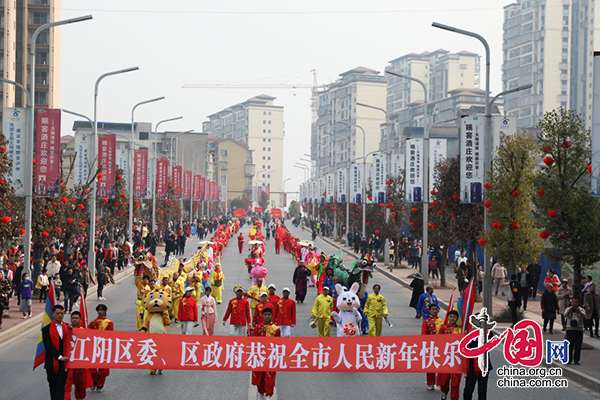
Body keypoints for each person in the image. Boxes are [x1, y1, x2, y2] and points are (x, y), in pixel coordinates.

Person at [42, 305, 70, 400]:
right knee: (53, 386)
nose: (60, 315)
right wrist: (59, 356)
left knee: (60, 386)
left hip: (64, 363)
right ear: (53, 314)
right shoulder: (46, 330)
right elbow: (48, 346)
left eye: (62, 313)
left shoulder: (68, 327)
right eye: (58, 313)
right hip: (51, 363)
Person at [252, 307, 280, 400]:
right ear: (262, 316)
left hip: (271, 356)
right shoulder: (258, 327)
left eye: (269, 315)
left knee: (270, 376)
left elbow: (279, 344)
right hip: (260, 356)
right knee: (260, 376)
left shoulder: (276, 329)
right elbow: (254, 342)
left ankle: (268, 394)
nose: (267, 316)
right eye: (265, 315)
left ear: (272, 315)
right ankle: (260, 393)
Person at [64, 311, 93, 400]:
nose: (74, 320)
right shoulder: (66, 329)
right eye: (73, 318)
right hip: (69, 361)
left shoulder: (83, 331)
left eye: (76, 318)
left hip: (80, 361)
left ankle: (80, 398)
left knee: (81, 383)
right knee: (67, 383)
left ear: (80, 319)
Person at [88, 304, 114, 392]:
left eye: (102, 310)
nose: (100, 311)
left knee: (103, 369)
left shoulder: (109, 323)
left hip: (104, 348)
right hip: (93, 348)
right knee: (92, 368)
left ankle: (100, 385)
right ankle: (93, 382)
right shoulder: (92, 323)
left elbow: (111, 336)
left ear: (105, 311)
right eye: (98, 310)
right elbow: (87, 334)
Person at [438, 310, 462, 400]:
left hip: (457, 358)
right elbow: (439, 342)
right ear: (448, 317)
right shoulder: (443, 329)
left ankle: (454, 397)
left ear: (457, 318)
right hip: (446, 357)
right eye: (451, 316)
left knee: (456, 380)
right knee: (445, 378)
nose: (452, 319)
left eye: (454, 317)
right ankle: (444, 392)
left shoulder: (461, 330)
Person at [421, 304, 443, 390]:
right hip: (430, 347)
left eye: (436, 309)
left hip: (440, 347)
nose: (434, 311)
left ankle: (440, 382)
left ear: (438, 311)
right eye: (433, 309)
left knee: (441, 365)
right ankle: (430, 382)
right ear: (429, 311)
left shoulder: (442, 322)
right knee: (431, 365)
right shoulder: (426, 322)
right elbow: (423, 334)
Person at [565, 297, 585, 364]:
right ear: (571, 302)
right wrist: (569, 312)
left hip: (579, 329)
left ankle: (576, 360)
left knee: (578, 346)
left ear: (578, 302)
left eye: (576, 302)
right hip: (570, 329)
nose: (575, 303)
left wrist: (579, 312)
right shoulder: (568, 309)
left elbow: (584, 316)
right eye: (573, 301)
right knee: (569, 345)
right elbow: (565, 315)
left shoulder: (581, 309)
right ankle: (569, 359)